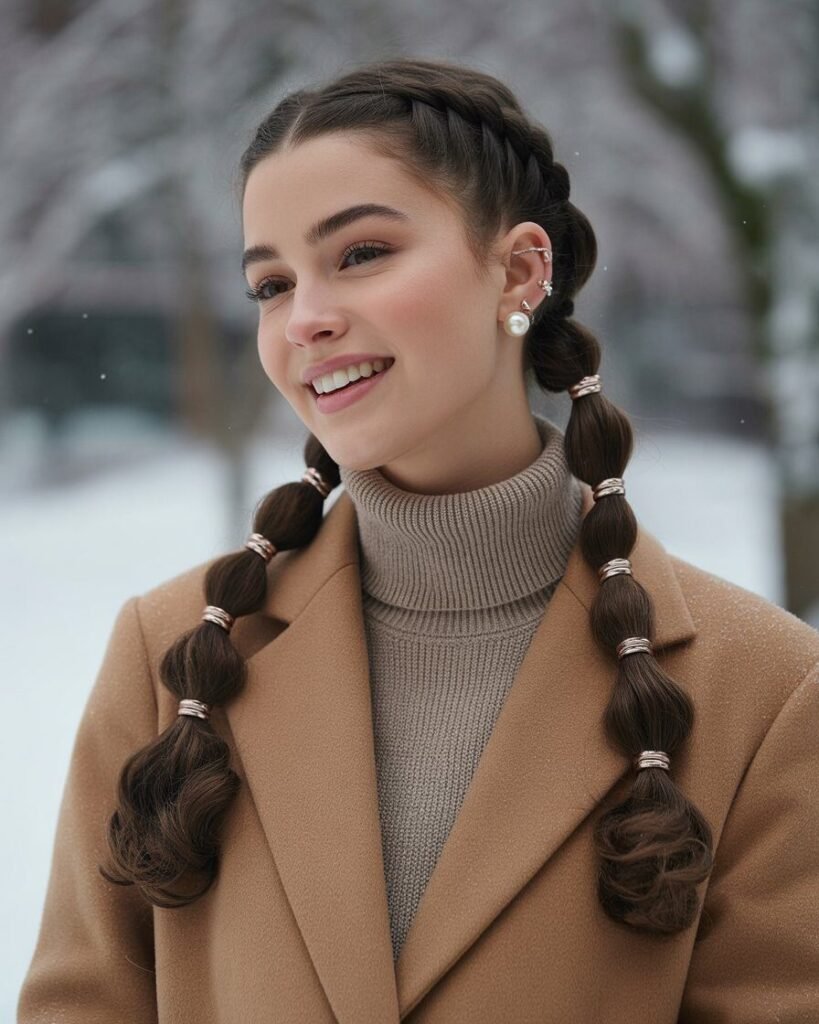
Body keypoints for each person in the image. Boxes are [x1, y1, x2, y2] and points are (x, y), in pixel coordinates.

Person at [18, 56, 819, 1024]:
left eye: (359, 254)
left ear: (520, 269)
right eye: (270, 283)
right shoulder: (174, 652)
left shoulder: (767, 691)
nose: (305, 319)